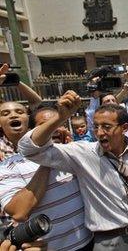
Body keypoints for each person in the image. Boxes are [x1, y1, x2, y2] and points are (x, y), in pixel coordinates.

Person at [18, 92, 128, 251]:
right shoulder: (82, 154)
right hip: (109, 241)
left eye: (106, 127)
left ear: (124, 128)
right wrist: (59, 117)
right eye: (96, 126)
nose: (99, 133)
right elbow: (28, 149)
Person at [0, 103, 93, 250]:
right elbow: (19, 212)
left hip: (89, 244)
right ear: (32, 132)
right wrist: (47, 159)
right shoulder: (9, 166)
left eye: (58, 123)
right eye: (46, 125)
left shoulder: (72, 154)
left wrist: (63, 151)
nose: (53, 129)